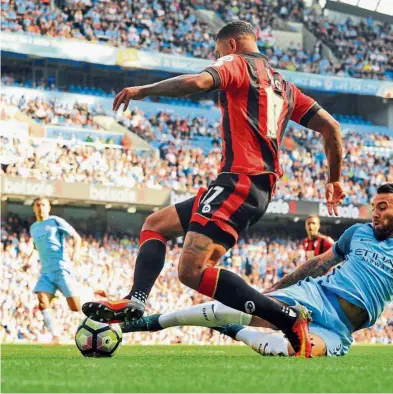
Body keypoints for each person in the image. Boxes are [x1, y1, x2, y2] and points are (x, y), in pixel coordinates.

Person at [82, 21, 346, 358]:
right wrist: (334, 178)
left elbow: (197, 81)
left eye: (216, 51)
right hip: (254, 187)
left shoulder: (236, 63)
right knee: (156, 225)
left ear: (231, 45)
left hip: (239, 180)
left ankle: (286, 319)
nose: (215, 57)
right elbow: (331, 127)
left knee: (191, 271)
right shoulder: (285, 87)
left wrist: (143, 91)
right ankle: (135, 299)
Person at [120, 167, 393, 357]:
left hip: (341, 330)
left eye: (382, 207)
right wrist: (268, 294)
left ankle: (232, 331)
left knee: (291, 352)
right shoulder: (356, 234)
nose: (374, 213)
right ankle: (146, 323)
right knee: (229, 307)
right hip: (314, 296)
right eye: (373, 206)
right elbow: (315, 265)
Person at [26, 197, 82, 344]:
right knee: (42, 301)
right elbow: (36, 247)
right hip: (46, 272)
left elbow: (76, 237)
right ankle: (56, 336)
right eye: (37, 205)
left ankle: (93, 296)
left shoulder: (55, 221)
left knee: (76, 307)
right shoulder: (33, 228)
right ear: (34, 208)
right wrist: (28, 260)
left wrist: (75, 252)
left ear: (49, 207)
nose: (40, 207)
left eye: (43, 205)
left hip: (61, 269)